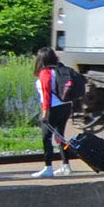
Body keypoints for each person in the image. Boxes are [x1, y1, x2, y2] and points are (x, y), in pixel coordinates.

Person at [34, 47, 74, 178]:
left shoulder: (45, 73)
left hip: (53, 108)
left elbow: (46, 94)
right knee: (60, 136)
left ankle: (48, 167)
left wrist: (45, 112)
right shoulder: (60, 70)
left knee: (46, 138)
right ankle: (66, 165)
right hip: (66, 106)